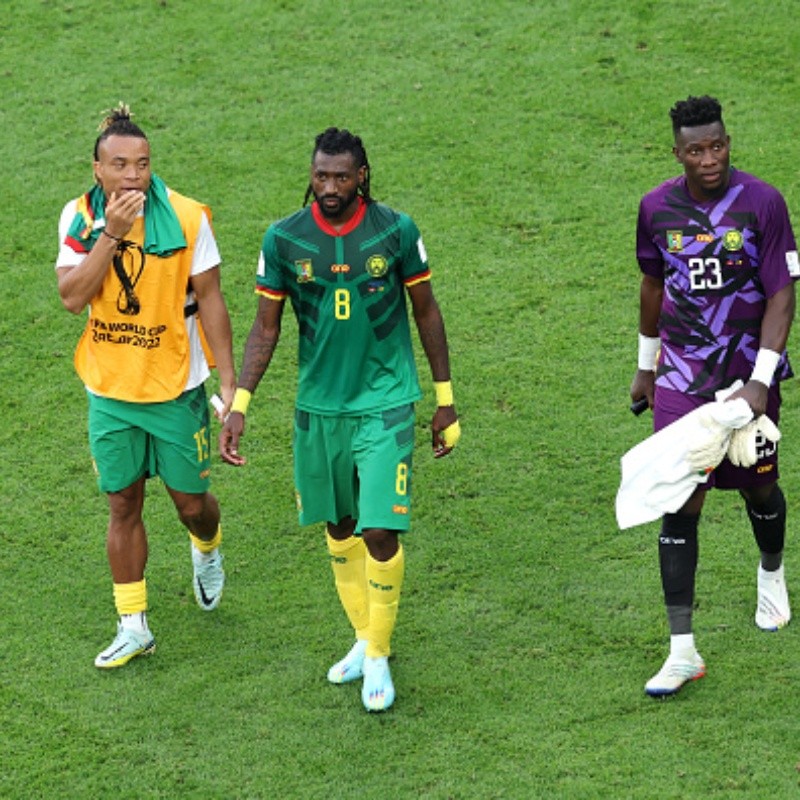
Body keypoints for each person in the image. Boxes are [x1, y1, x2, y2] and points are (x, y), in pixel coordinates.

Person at [220, 127, 460, 712]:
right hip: (319, 407)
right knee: (339, 526)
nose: (329, 187)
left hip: (384, 400)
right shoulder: (283, 240)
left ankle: (377, 653)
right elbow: (265, 328)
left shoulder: (395, 231)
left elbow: (426, 312)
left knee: (380, 530)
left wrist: (445, 399)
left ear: (362, 176)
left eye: (341, 176)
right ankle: (363, 636)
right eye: (321, 175)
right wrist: (240, 405)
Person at [56, 104, 236, 669]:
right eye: (120, 165)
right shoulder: (80, 219)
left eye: (142, 164)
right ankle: (132, 625)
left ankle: (207, 548)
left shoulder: (185, 217)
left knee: (191, 506)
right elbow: (71, 296)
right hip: (110, 389)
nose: (133, 175)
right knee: (122, 502)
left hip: (176, 389)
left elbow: (209, 297)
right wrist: (111, 234)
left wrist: (230, 381)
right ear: (97, 169)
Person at [630, 95, 798, 697]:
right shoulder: (656, 208)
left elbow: (782, 292)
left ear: (729, 142)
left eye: (718, 145)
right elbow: (654, 285)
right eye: (696, 150)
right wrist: (646, 369)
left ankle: (772, 573)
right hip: (681, 380)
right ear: (676, 152)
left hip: (746, 377)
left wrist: (763, 376)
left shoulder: (763, 203)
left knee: (758, 484)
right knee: (680, 503)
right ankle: (682, 651)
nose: (710, 158)